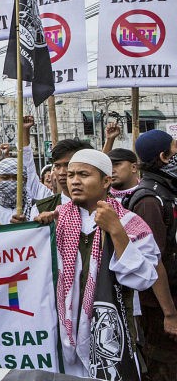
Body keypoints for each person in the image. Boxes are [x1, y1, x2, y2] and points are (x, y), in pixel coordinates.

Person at [35, 149, 160, 378]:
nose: (74, 181)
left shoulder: (129, 222)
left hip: (110, 339)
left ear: (106, 181)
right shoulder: (57, 219)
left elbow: (144, 278)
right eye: (71, 174)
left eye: (83, 174)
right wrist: (36, 231)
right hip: (64, 340)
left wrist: (115, 230)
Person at [129, 129, 177, 380]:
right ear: (164, 156)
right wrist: (169, 314)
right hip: (159, 308)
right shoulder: (150, 200)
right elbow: (152, 262)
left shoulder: (167, 191)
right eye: (174, 148)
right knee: (165, 367)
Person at [0, 157, 33, 225]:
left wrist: (26, 226)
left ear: (25, 180)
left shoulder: (34, 208)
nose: (11, 181)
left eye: (16, 178)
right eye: (5, 178)